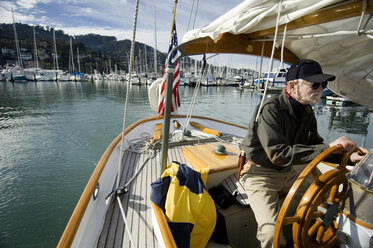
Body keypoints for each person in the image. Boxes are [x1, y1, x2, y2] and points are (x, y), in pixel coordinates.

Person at [238, 59, 367, 248]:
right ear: (291, 86)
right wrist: (329, 145)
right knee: (270, 233)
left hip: (289, 171)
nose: (321, 88)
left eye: (324, 84)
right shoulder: (270, 110)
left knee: (324, 202)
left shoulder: (307, 112)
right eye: (315, 84)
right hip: (260, 174)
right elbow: (278, 154)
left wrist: (348, 157)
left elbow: (315, 146)